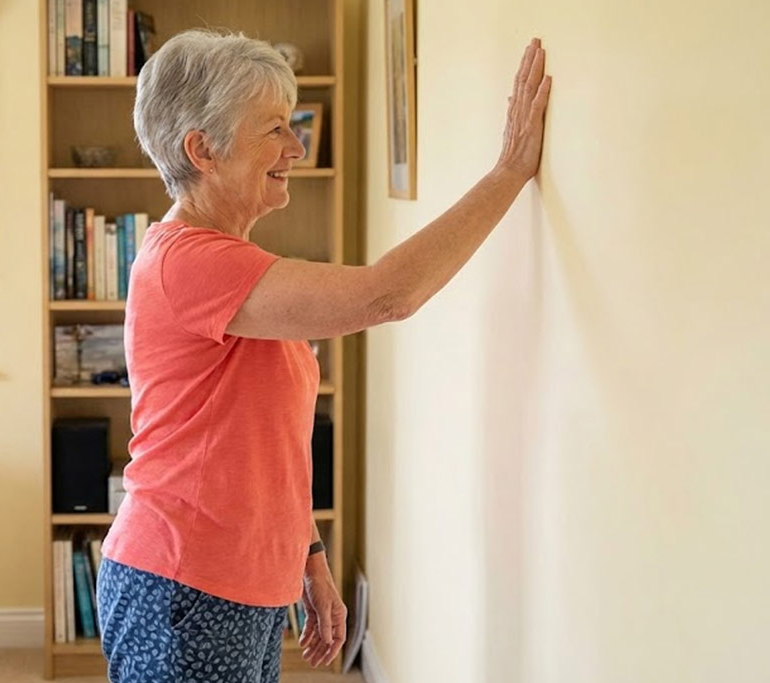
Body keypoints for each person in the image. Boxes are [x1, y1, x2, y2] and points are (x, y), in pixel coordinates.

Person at [97, 29, 552, 683]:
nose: (296, 147)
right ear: (203, 149)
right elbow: (387, 295)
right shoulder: (189, 261)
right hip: (184, 582)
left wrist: (308, 556)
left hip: (240, 579)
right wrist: (509, 172)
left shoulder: (242, 272)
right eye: (275, 129)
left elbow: (262, 440)